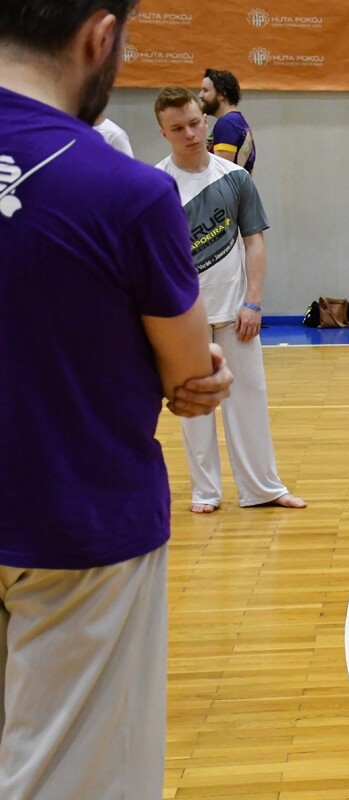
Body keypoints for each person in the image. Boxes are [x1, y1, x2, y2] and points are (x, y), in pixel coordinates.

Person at [0, 3, 233, 796]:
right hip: (78, 524)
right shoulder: (127, 192)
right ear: (100, 37)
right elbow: (187, 374)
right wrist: (189, 370)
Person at [154, 87, 306, 514]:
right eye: (177, 128)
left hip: (237, 312)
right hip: (184, 318)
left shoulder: (235, 178)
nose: (189, 133)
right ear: (163, 132)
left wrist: (253, 302)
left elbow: (254, 242)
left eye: (194, 123)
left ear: (206, 121)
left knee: (250, 399)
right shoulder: (155, 186)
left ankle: (263, 488)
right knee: (194, 406)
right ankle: (205, 492)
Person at [199, 67, 255, 172]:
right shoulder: (235, 121)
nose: (200, 95)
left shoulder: (227, 123)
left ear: (221, 94)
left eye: (205, 90)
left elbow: (220, 174)